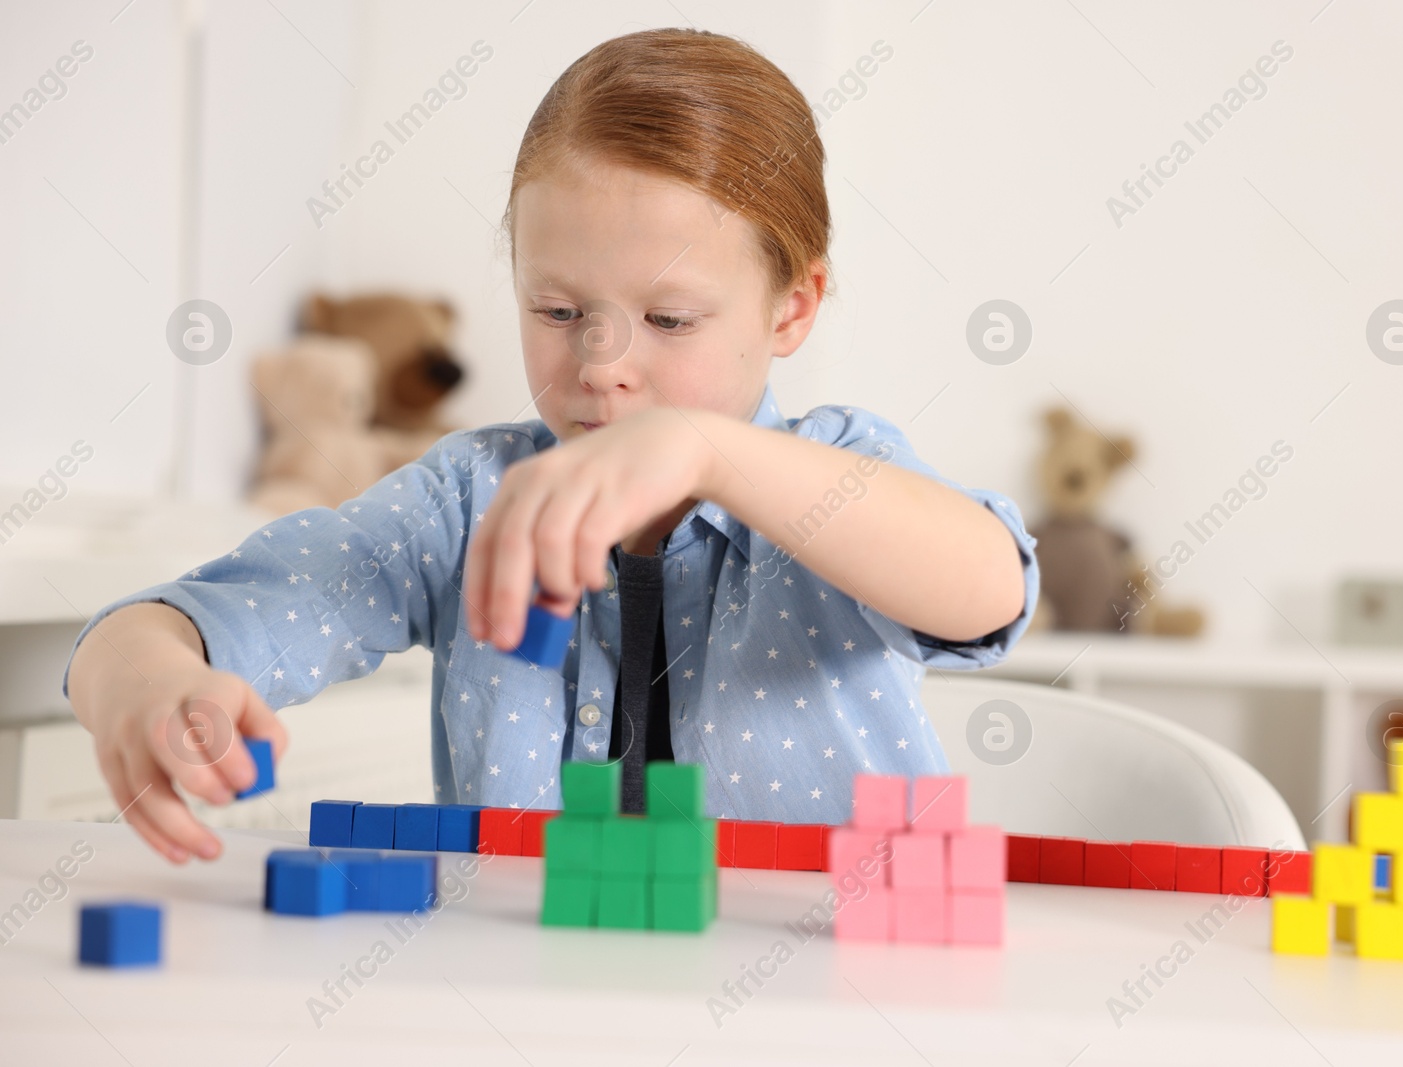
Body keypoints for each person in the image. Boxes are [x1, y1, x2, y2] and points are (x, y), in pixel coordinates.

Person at [63, 28, 1039, 865]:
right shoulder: (468, 496)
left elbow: (991, 586)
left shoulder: (838, 478)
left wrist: (705, 451)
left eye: (667, 316)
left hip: (816, 1002)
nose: (603, 362)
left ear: (792, 308)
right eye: (558, 308)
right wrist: (144, 676)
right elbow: (207, 615)